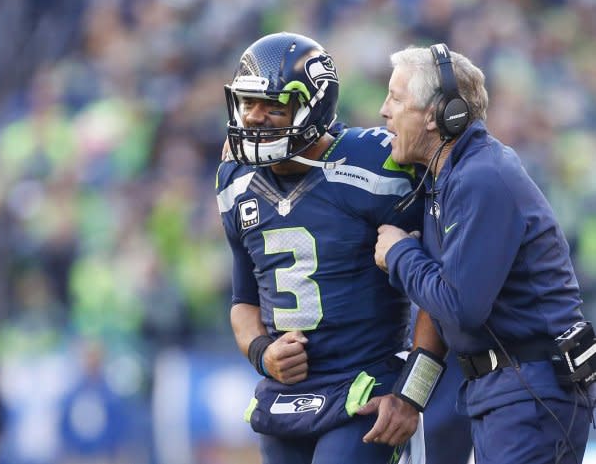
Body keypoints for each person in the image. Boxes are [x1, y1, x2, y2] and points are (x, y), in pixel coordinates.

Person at [215, 32, 445, 464]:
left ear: (313, 107)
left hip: (364, 389)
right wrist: (263, 354)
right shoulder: (234, 181)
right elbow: (243, 301)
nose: (255, 118)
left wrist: (412, 393)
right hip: (285, 398)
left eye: (274, 106)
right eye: (248, 103)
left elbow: (437, 290)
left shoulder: (377, 165)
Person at [373, 43, 593, 464]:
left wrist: (401, 253)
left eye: (397, 98)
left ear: (439, 115)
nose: (384, 110)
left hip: (530, 393)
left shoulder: (481, 178)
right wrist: (410, 396)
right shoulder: (450, 176)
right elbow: (438, 316)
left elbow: (460, 306)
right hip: (506, 392)